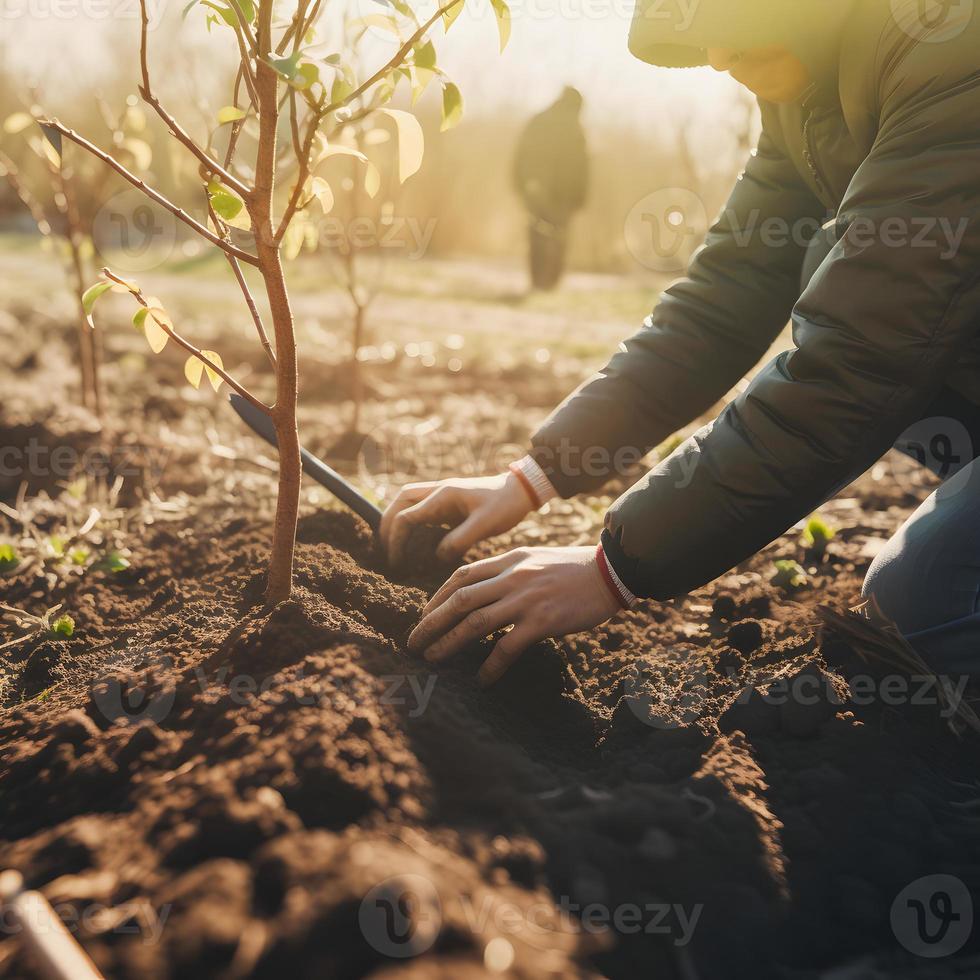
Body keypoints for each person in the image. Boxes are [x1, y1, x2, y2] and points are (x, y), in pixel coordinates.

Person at [381, 0, 980, 687]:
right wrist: (535, 475)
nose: (720, 60)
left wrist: (614, 570)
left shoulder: (952, 48)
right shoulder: (803, 93)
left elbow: (862, 350)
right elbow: (725, 295)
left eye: (732, 33)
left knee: (926, 603)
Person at [512, 86, 589, 291]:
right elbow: (582, 166)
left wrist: (522, 186)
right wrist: (579, 197)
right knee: (555, 239)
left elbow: (520, 157)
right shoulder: (573, 128)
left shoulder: (540, 121)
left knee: (540, 238)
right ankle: (547, 284)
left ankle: (541, 283)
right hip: (555, 196)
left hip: (541, 193)